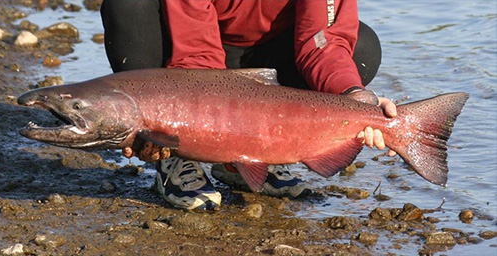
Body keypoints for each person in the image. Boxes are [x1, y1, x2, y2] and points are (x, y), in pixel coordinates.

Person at [100, 0, 397, 210]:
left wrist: (355, 98)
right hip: (190, 54)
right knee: (127, 3)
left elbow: (324, 42)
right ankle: (175, 154)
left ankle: (250, 159)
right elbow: (196, 52)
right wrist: (173, 131)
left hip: (273, 56)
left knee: (362, 47)